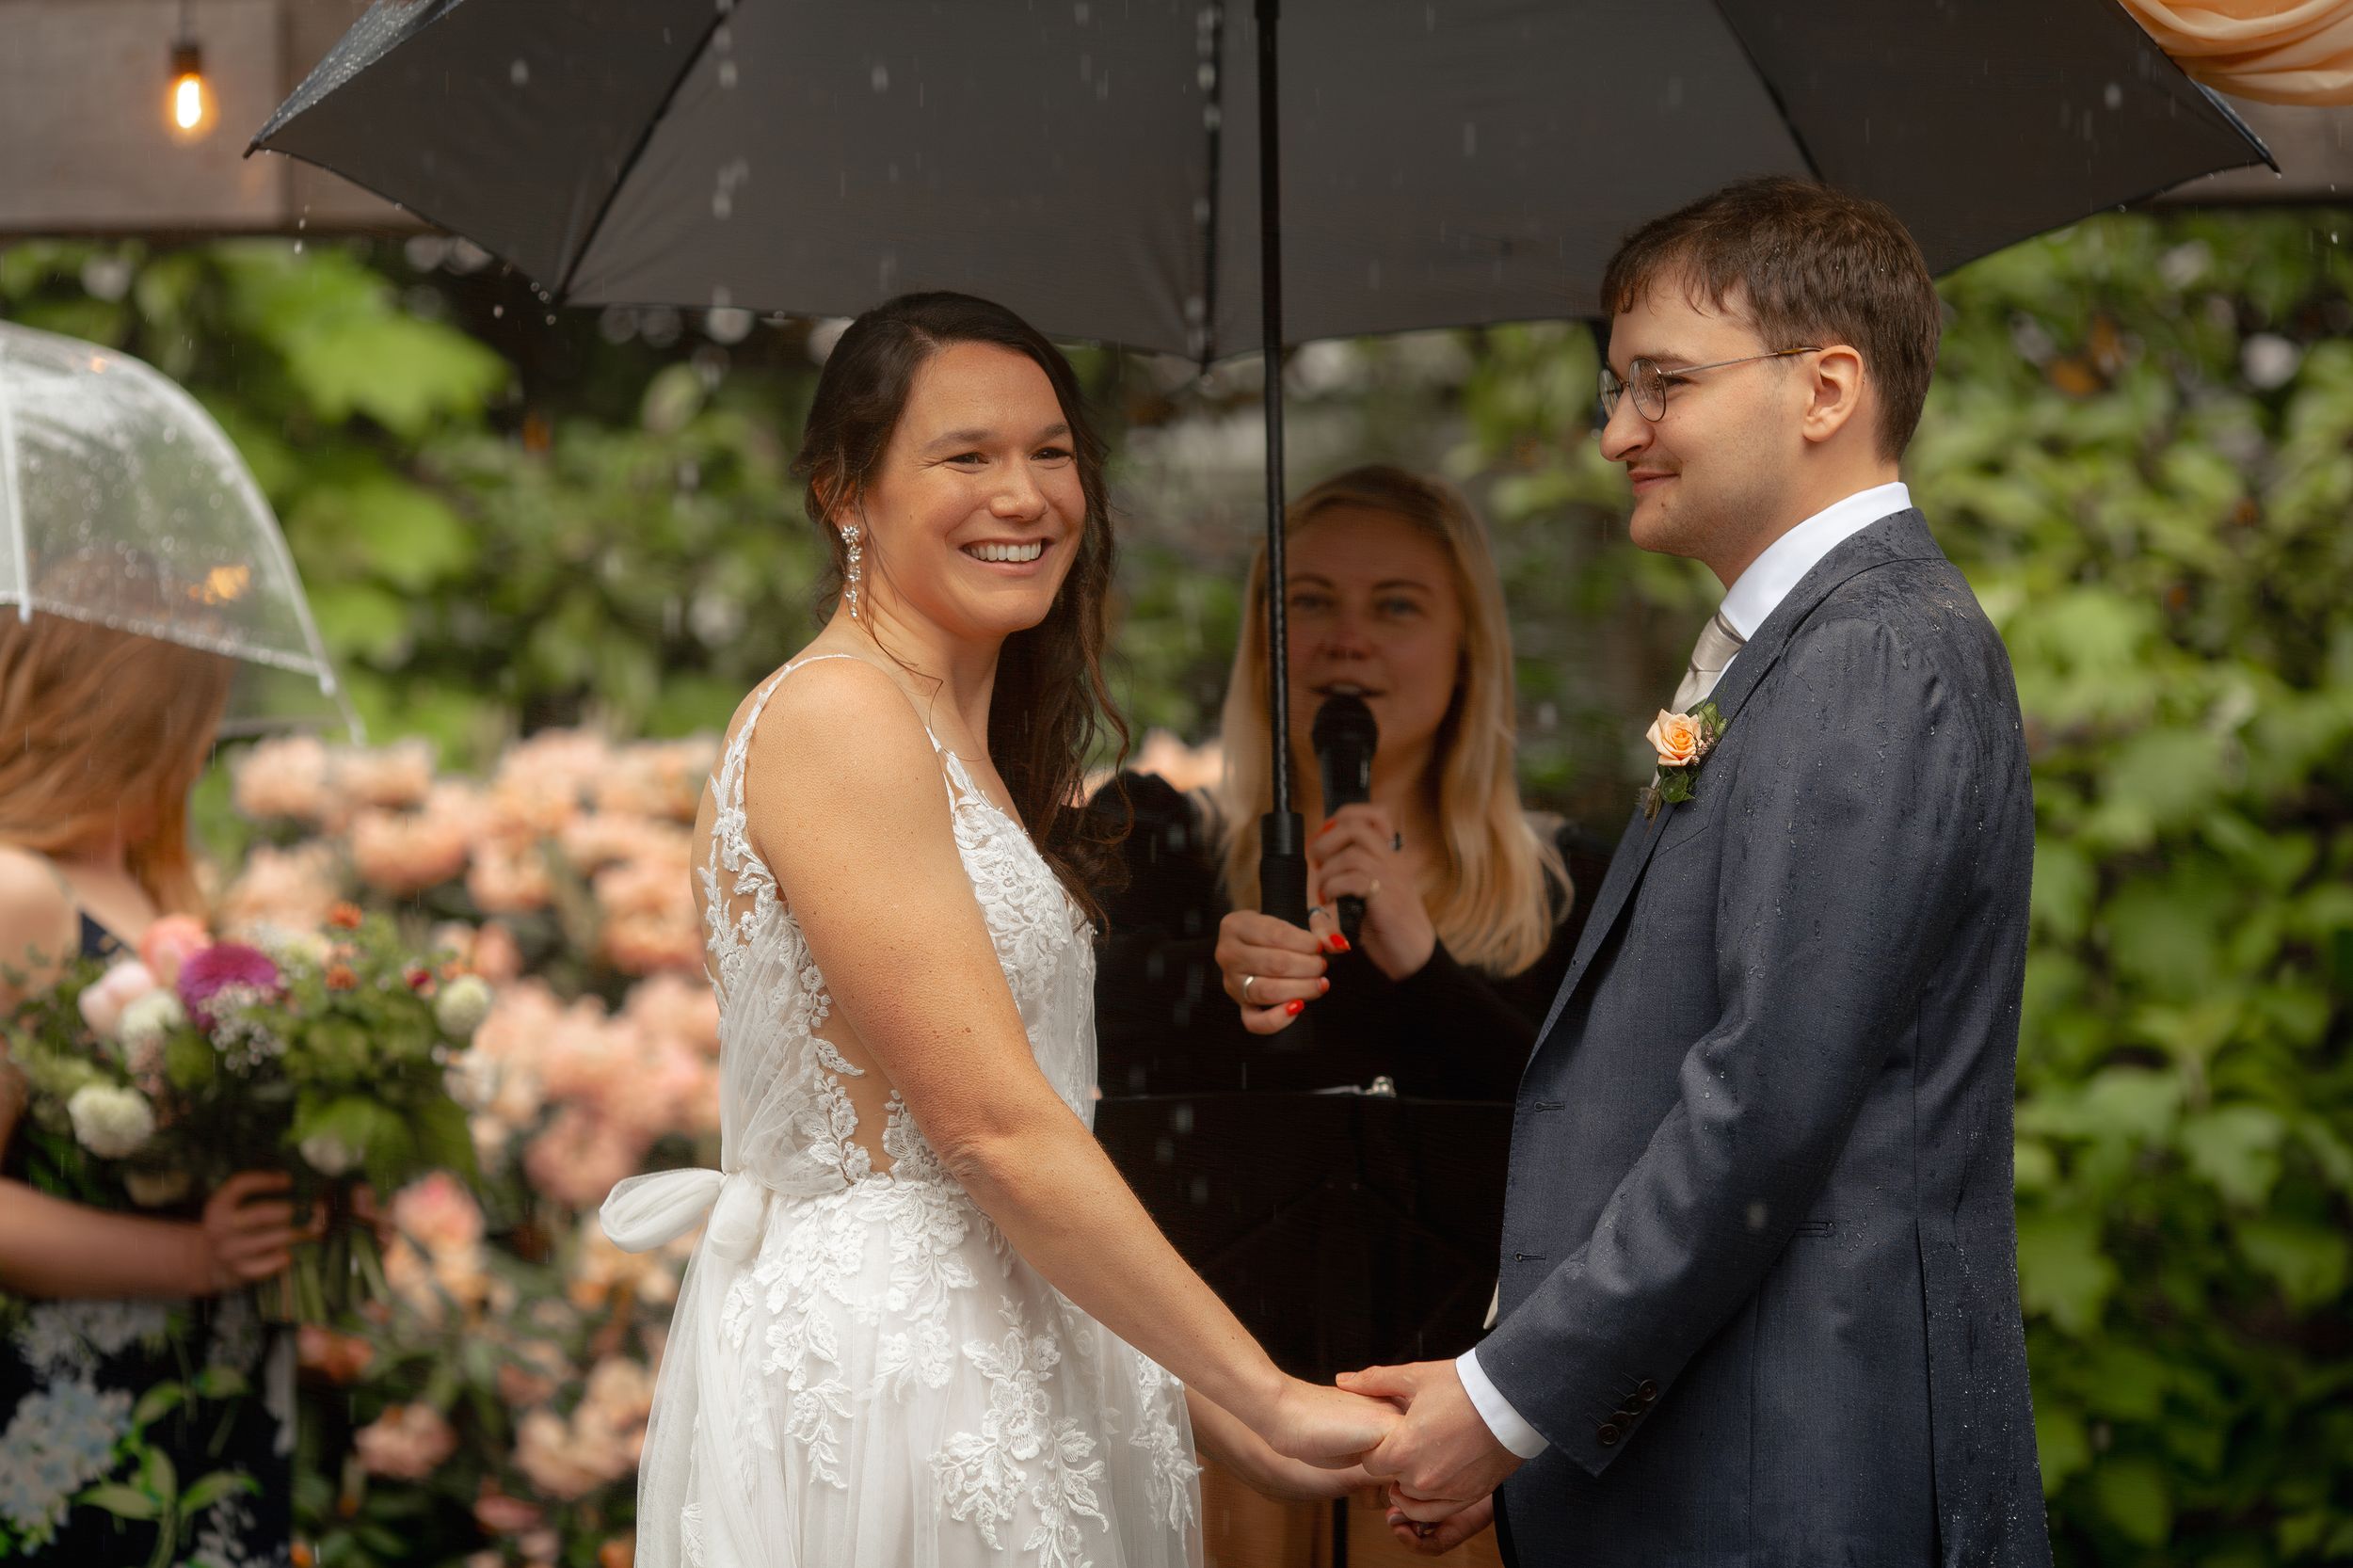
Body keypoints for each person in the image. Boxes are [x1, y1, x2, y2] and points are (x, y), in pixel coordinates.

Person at [599, 292, 1396, 1568]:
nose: (1023, 496)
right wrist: (1264, 1392)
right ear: (845, 494)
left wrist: (1204, 1406)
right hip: (899, 1380)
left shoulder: (958, 740)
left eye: (1051, 453)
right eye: (965, 456)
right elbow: (993, 1129)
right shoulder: (842, 717)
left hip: (1018, 1358)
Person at [1346, 177, 2052, 1567]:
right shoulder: (1826, 641)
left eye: (1661, 384)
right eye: (1616, 388)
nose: (1618, 432)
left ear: (1825, 389)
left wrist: (1508, 1400)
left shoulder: (1868, 653)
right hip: (1731, 1450)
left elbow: (1759, 1108)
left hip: (1786, 1472)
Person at [1092, 465, 1609, 1101]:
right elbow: (1067, 1038)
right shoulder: (1154, 841)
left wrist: (1426, 973)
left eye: (1396, 606)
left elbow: (1592, 1124)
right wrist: (1214, 978)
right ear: (1263, 640)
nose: (1347, 641)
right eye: (1311, 601)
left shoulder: (1573, 891)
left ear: (1466, 647)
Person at [0, 612, 307, 1566]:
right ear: (130, 711)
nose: (202, 745)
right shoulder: (21, 888)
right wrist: (194, 1258)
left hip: (208, 1403)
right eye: (193, 712)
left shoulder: (156, 885)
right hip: (82, 1426)